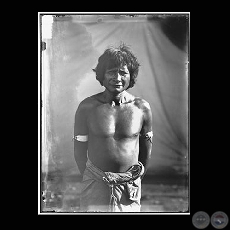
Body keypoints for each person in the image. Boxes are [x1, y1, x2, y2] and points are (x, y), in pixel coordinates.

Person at [73, 43, 153, 212]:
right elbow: (79, 151)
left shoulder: (142, 108)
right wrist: (93, 178)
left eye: (123, 72)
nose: (117, 78)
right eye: (111, 72)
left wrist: (132, 179)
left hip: (129, 188)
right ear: (102, 75)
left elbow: (146, 152)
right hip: (95, 184)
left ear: (131, 76)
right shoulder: (86, 107)